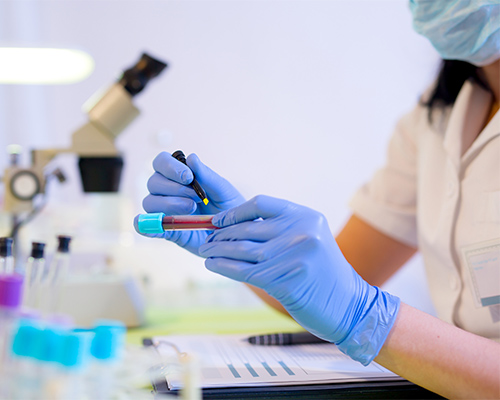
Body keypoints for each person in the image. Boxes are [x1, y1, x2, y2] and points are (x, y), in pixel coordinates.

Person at [135, 1, 500, 398]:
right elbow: (319, 286)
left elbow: (347, 300)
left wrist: (364, 317)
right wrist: (241, 240)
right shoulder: (438, 115)